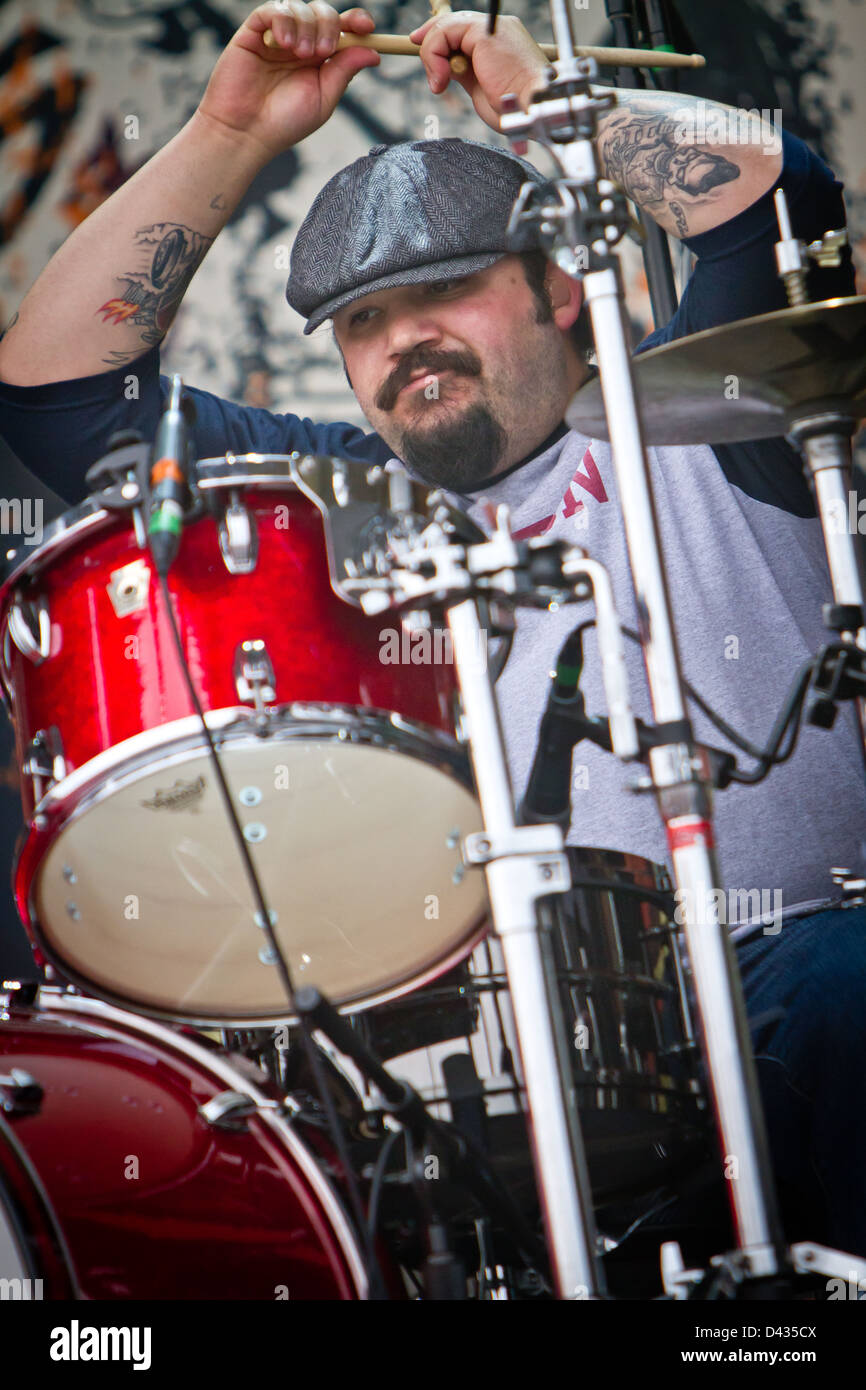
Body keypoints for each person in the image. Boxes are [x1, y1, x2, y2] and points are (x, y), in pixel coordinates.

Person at [1, 4, 864, 1275]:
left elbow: (779, 201)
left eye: (444, 288)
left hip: (792, 977)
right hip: (512, 1062)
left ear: (560, 286)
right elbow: (60, 390)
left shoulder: (701, 405)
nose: (402, 340)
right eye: (361, 321)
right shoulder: (339, 502)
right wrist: (228, 131)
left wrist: (542, 109)